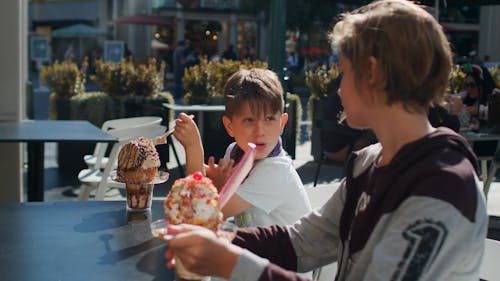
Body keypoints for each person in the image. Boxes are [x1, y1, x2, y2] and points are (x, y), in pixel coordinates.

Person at [165, 1, 488, 280]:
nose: (338, 90)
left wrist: (230, 260)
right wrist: (217, 241)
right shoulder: (368, 164)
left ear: (372, 73)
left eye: (343, 72)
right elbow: (303, 242)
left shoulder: (444, 188)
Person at [173, 68, 311, 228]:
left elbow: (204, 216)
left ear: (282, 123)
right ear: (229, 126)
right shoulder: (234, 152)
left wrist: (193, 148)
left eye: (269, 119)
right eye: (249, 120)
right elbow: (207, 191)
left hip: (290, 252)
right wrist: (215, 181)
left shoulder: (274, 172)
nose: (260, 131)